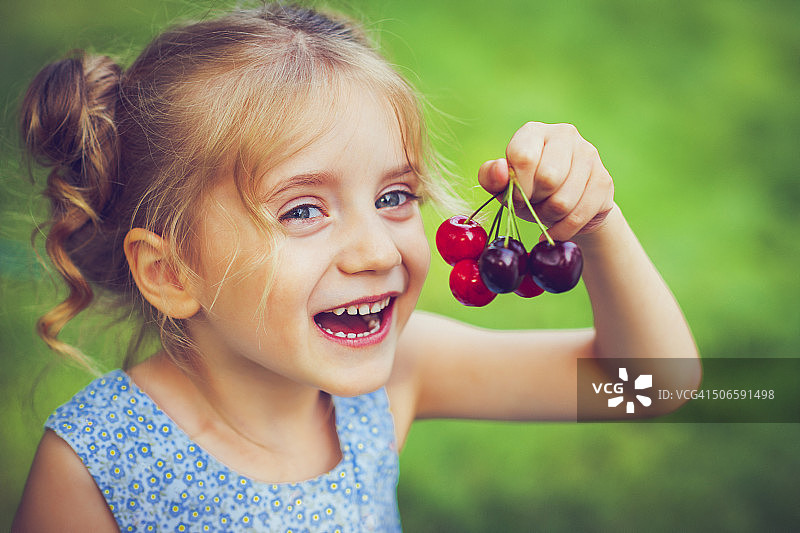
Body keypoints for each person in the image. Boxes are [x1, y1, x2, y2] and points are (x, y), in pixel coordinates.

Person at [11, 3, 699, 531]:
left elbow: (650, 388)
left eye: (394, 197)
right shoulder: (98, 464)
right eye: (302, 210)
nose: (377, 251)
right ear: (172, 272)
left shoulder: (398, 373)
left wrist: (595, 224)